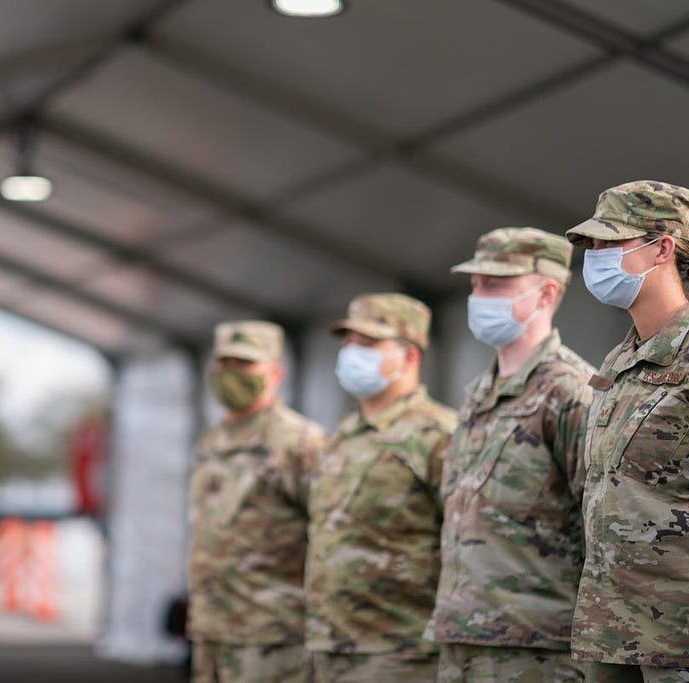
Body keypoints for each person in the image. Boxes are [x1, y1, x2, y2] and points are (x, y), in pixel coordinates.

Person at [430, 227, 594, 682]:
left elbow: (599, 527)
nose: (480, 296)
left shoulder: (570, 393)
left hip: (536, 652)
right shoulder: (478, 397)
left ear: (546, 293)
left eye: (497, 285)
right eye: (476, 284)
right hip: (462, 642)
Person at [565, 180, 689, 683]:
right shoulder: (621, 360)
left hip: (676, 636)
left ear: (662, 247)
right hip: (612, 632)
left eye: (608, 242)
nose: (594, 257)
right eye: (590, 246)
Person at [305, 293, 457, 682]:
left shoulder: (438, 433)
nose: (352, 352)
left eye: (369, 343)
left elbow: (463, 541)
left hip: (401, 651)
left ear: (409, 357)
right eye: (348, 342)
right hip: (330, 645)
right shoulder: (344, 432)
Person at [187, 321, 326, 683]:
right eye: (224, 363)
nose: (231, 373)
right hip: (211, 630)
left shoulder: (299, 443)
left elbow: (329, 533)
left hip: (273, 635)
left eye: (245, 364)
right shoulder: (211, 440)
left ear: (276, 372)